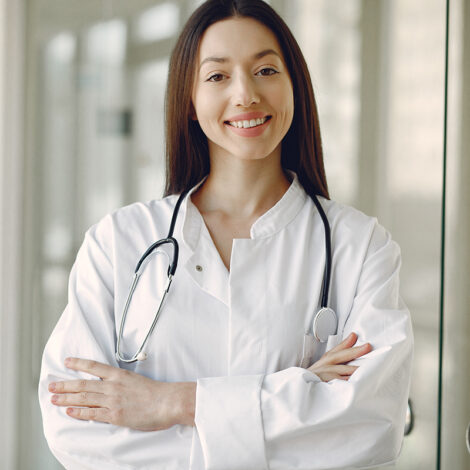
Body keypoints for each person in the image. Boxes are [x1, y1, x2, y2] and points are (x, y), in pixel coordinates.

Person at [38, 0, 414, 469]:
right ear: (190, 102)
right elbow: (75, 429)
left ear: (294, 84)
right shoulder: (119, 242)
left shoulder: (360, 246)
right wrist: (298, 395)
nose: (246, 94)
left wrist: (171, 404)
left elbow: (371, 424)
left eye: (266, 70)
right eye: (217, 76)